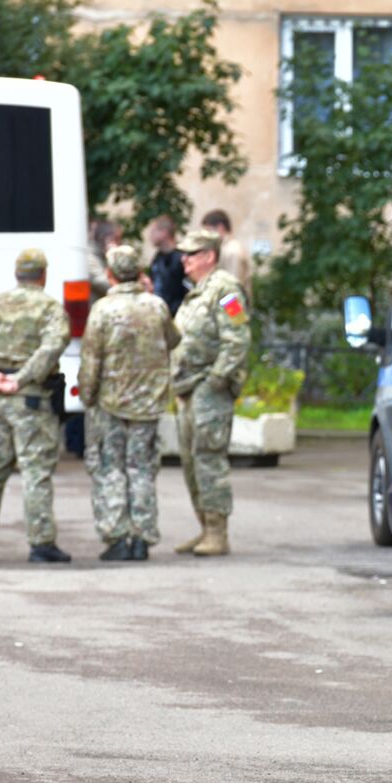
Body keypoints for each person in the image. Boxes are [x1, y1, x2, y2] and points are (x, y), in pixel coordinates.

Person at [0, 249, 72, 563]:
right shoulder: (51, 309)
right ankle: (40, 543)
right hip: (31, 401)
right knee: (35, 472)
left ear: (17, 274)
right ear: (43, 275)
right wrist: (21, 379)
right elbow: (52, 347)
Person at [79, 244, 181, 561]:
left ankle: (117, 538)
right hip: (148, 404)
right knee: (141, 470)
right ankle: (142, 538)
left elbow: (91, 360)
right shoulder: (157, 306)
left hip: (111, 403)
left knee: (111, 470)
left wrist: (87, 395)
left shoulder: (103, 311)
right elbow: (174, 339)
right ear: (140, 273)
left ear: (109, 275)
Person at [171, 228, 250, 556]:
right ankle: (204, 527)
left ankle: (218, 532)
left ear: (209, 256)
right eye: (184, 254)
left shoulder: (226, 290)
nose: (184, 260)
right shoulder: (197, 291)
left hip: (208, 387)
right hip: (188, 386)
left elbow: (237, 339)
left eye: (191, 254)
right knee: (190, 461)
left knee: (208, 459)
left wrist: (216, 380)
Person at [200, 209, 252, 305]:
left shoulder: (233, 251)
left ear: (220, 228)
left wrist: (230, 317)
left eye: (208, 231)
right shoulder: (223, 248)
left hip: (233, 310)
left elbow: (233, 289)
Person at [148, 215, 188, 316]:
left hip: (178, 313)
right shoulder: (157, 257)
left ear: (164, 232)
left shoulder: (181, 258)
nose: (150, 236)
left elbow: (234, 315)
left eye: (153, 231)